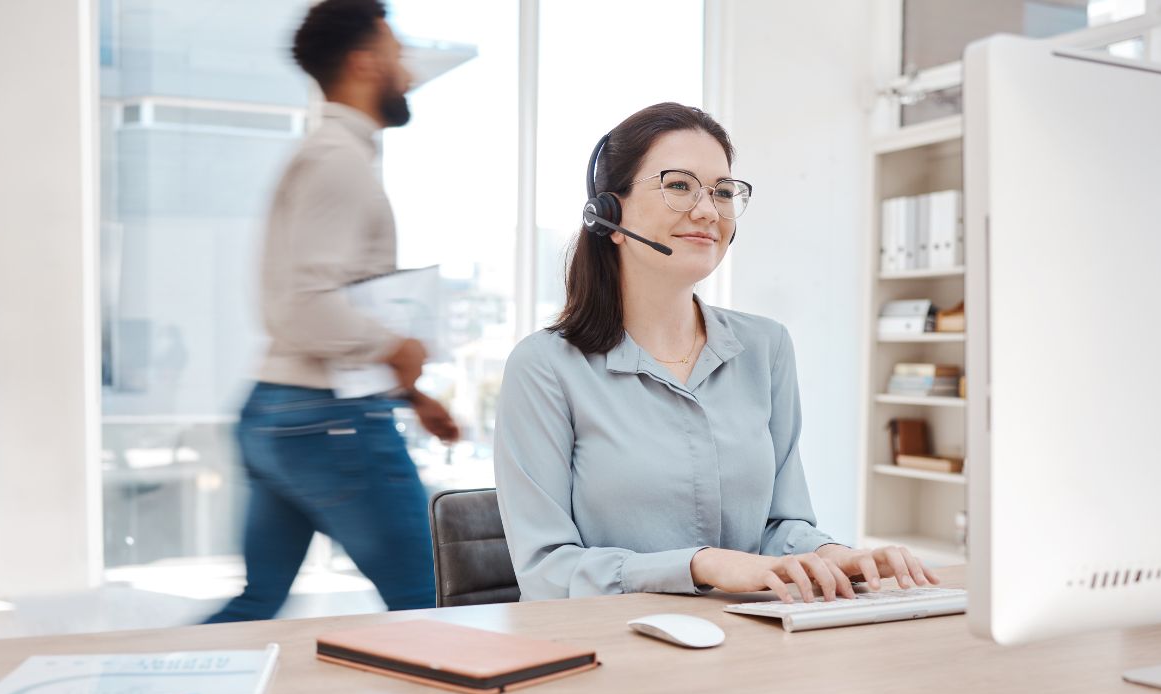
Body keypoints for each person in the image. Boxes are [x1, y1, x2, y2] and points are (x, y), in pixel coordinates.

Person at [494, 102, 939, 602]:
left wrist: (836, 555)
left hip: (751, 645)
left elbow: (779, 525)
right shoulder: (545, 367)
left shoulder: (765, 348)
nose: (708, 211)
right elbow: (546, 571)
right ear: (609, 215)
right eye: (679, 185)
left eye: (723, 192)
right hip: (615, 654)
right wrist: (701, 567)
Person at [205, 0, 457, 624]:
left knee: (258, 602)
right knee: (433, 600)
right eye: (398, 55)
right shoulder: (338, 162)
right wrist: (398, 348)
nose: (408, 71)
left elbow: (325, 309)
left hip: (282, 410)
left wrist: (411, 394)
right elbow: (303, 306)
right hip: (327, 422)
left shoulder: (329, 155)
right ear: (366, 62)